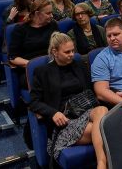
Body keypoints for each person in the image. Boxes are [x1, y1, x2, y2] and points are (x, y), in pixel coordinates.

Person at [29, 32, 108, 169]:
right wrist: (53, 113)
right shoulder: (42, 71)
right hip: (64, 121)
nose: (72, 54)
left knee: (102, 109)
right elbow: (34, 102)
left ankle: (101, 164)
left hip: (85, 111)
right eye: (67, 52)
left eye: (73, 50)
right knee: (106, 129)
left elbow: (90, 91)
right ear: (55, 51)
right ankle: (104, 163)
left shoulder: (79, 65)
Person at [8, 0, 59, 88]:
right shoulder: (20, 30)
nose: (51, 16)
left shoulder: (53, 24)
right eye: (48, 13)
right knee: (52, 81)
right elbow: (13, 57)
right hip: (31, 69)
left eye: (51, 12)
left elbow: (60, 45)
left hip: (53, 64)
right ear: (37, 13)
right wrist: (32, 64)